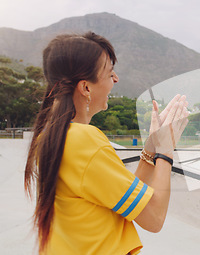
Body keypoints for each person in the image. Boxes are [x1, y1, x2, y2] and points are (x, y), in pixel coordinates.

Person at [24, 32, 189, 254]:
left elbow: (126, 201)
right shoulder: (84, 141)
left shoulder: (50, 136)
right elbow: (154, 217)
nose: (116, 79)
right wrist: (166, 152)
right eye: (110, 73)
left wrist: (152, 147)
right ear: (86, 88)